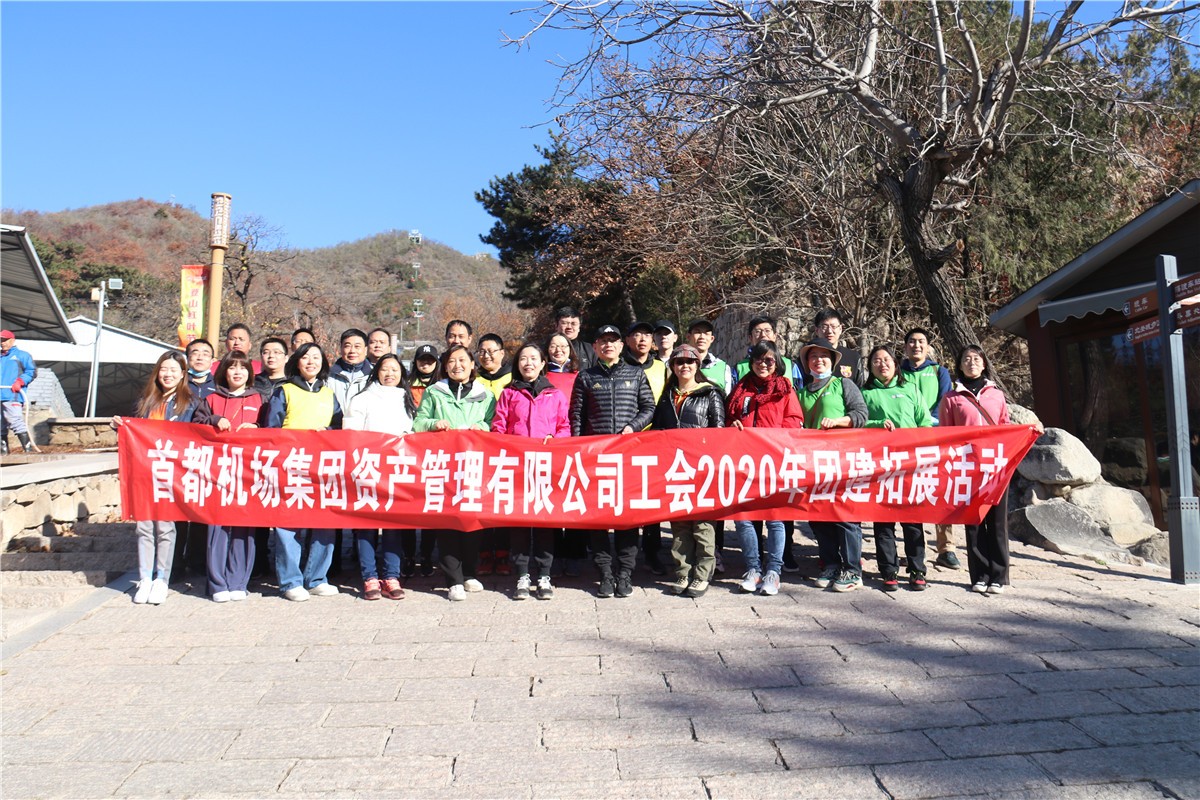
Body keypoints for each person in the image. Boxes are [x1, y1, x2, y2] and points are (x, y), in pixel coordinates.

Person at [111, 351, 212, 605]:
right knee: (144, 527)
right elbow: (135, 432)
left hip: (171, 474)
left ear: (183, 374)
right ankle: (145, 577)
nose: (168, 374)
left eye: (173, 370)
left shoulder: (191, 403)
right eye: (164, 369)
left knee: (166, 527)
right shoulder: (146, 401)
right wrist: (119, 427)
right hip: (144, 472)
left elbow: (201, 432)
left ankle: (162, 579)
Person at [939, 345, 1041, 595]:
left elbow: (1005, 428)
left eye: (976, 358)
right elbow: (945, 434)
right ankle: (980, 575)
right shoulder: (951, 398)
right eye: (966, 359)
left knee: (997, 522)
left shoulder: (996, 394)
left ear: (984, 364)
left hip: (995, 467)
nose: (971, 362)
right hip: (967, 467)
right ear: (959, 365)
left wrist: (1027, 433)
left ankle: (999, 575)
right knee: (973, 522)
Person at [569, 325, 655, 598]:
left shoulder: (636, 373)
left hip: (628, 456)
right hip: (596, 458)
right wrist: (578, 449)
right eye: (603, 341)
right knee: (598, 520)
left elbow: (649, 407)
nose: (608, 345)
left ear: (621, 345)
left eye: (613, 341)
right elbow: (576, 416)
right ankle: (605, 573)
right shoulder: (586, 376)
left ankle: (625, 573)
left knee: (627, 518)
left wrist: (633, 427)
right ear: (595, 347)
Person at [413, 344, 497, 601]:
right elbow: (418, 423)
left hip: (474, 466)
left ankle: (470, 573)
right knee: (448, 522)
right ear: (445, 366)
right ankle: (454, 580)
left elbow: (494, 424)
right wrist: (433, 423)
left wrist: (482, 427)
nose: (457, 365)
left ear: (473, 365)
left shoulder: (486, 395)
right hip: (444, 467)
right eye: (452, 361)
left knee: (472, 520)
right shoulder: (434, 392)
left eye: (462, 360)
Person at [264, 342, 343, 602]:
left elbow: (339, 428)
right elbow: (271, 430)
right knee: (289, 526)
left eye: (316, 357)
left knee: (324, 524)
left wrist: (328, 433)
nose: (311, 362)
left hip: (322, 469)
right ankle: (290, 581)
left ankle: (317, 578)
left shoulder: (328, 394)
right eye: (306, 357)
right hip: (291, 466)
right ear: (296, 362)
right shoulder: (284, 391)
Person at [492, 343, 570, 600]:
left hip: (546, 467)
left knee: (545, 522)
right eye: (523, 358)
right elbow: (498, 427)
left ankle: (545, 575)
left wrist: (555, 439)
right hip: (517, 467)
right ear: (517, 364)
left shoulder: (555, 394)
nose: (528, 363)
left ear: (543, 363)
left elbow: (564, 426)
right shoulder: (509, 393)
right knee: (520, 524)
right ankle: (522, 574)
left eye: (534, 358)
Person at [727, 341, 803, 596]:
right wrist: (733, 425)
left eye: (769, 360)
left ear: (776, 362)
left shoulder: (784, 389)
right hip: (744, 463)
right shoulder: (741, 388)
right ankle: (753, 568)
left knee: (775, 518)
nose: (763, 364)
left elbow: (794, 421)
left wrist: (772, 438)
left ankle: (773, 571)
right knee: (743, 518)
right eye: (758, 359)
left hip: (774, 463)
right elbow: (730, 417)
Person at [652, 344, 726, 597]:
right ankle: (683, 572)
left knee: (703, 526)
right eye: (679, 361)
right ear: (673, 366)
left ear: (697, 365)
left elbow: (719, 431)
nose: (685, 366)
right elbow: (657, 431)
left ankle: (702, 575)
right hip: (675, 468)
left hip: (703, 469)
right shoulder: (666, 396)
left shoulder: (710, 393)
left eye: (690, 361)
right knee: (680, 525)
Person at [798, 338, 868, 593]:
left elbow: (861, 414)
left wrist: (839, 421)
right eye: (813, 356)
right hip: (813, 463)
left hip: (842, 460)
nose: (818, 360)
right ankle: (830, 563)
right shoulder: (802, 393)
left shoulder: (843, 384)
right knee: (818, 515)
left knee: (845, 515)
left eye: (823, 356)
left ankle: (853, 570)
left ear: (833, 361)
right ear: (807, 363)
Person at [344, 353, 416, 601]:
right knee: (367, 526)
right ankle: (370, 577)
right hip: (368, 468)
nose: (390, 374)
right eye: (385, 369)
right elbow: (351, 434)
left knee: (394, 526)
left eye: (395, 369)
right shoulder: (362, 398)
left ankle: (391, 576)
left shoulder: (406, 398)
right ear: (376, 372)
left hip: (396, 471)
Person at [861, 345, 931, 592]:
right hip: (879, 465)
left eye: (886, 360)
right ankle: (888, 570)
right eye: (876, 361)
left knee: (912, 520)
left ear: (895, 363)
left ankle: (917, 570)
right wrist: (877, 424)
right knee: (883, 520)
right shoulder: (865, 393)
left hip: (910, 464)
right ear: (870, 367)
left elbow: (925, 423)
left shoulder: (909, 389)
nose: (882, 364)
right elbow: (857, 424)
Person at [201, 350, 262, 602]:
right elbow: (194, 427)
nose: (238, 372)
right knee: (217, 528)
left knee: (244, 529)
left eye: (243, 367)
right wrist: (214, 419)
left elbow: (273, 428)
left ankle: (238, 581)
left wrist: (257, 427)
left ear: (250, 373)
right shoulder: (211, 398)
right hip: (217, 473)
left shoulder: (259, 398)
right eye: (232, 367)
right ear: (223, 372)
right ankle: (217, 583)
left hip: (249, 473)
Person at [901, 327, 959, 570]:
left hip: (934, 437)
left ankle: (946, 548)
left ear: (927, 346)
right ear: (905, 346)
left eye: (921, 341)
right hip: (906, 440)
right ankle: (914, 549)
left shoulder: (938, 371)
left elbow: (944, 400)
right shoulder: (898, 371)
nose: (916, 345)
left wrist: (927, 422)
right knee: (909, 491)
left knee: (939, 488)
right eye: (912, 341)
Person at [544, 332, 586, 576]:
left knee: (574, 496)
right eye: (553, 346)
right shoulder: (541, 377)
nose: (558, 350)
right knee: (551, 497)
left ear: (571, 350)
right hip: (549, 443)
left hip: (575, 442)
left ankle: (576, 553)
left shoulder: (581, 376)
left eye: (563, 346)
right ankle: (553, 553)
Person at [402, 343, 441, 579]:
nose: (426, 364)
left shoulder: (442, 386)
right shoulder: (405, 385)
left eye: (430, 360)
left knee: (430, 508)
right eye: (422, 360)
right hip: (408, 452)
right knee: (407, 508)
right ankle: (408, 555)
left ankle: (426, 555)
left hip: (435, 453)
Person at [733, 316, 803, 386]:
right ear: (750, 337)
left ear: (775, 336)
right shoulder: (739, 368)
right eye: (757, 331)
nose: (763, 335)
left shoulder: (790, 366)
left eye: (767, 331)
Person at [0, 329, 36, 455]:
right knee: (0, 425)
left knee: (15, 420)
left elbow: (31, 372)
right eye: (1, 340)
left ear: (12, 340)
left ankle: (28, 450)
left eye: (5, 340)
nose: (2, 342)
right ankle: (3, 453)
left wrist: (20, 381)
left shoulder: (22, 356)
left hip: (12, 395)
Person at [810, 309, 862, 384]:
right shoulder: (808, 357)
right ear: (817, 330)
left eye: (833, 326)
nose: (829, 331)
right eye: (824, 327)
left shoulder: (853, 357)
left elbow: (859, 387)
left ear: (840, 329)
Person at [254, 337, 289, 404]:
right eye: (266, 352)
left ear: (286, 358)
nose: (271, 355)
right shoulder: (252, 383)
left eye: (276, 352)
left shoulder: (292, 384)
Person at [407, 344, 441, 410]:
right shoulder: (407, 385)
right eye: (422, 358)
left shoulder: (444, 384)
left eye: (430, 359)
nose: (426, 362)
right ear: (415, 362)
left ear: (436, 362)